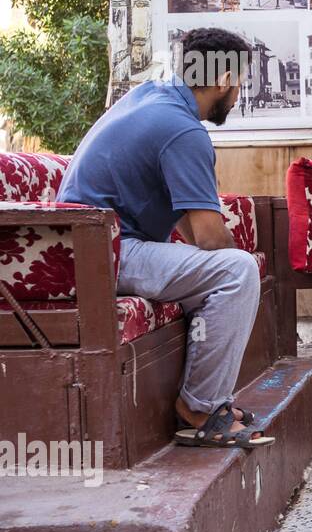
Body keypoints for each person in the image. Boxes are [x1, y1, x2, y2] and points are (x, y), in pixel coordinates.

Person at [58, 27, 272, 449]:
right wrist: (237, 275)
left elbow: (189, 225)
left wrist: (211, 267)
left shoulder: (151, 98)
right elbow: (211, 239)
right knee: (237, 272)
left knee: (223, 276)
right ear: (224, 79)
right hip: (103, 251)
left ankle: (212, 398)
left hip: (86, 247)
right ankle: (201, 407)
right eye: (241, 81)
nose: (240, 93)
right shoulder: (182, 131)